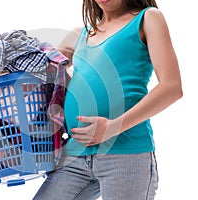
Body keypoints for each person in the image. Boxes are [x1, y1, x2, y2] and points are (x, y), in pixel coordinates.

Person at [33, 0, 183, 199]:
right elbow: (41, 73)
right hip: (75, 155)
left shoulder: (147, 18)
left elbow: (172, 87)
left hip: (126, 155)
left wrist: (112, 127)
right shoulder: (79, 34)